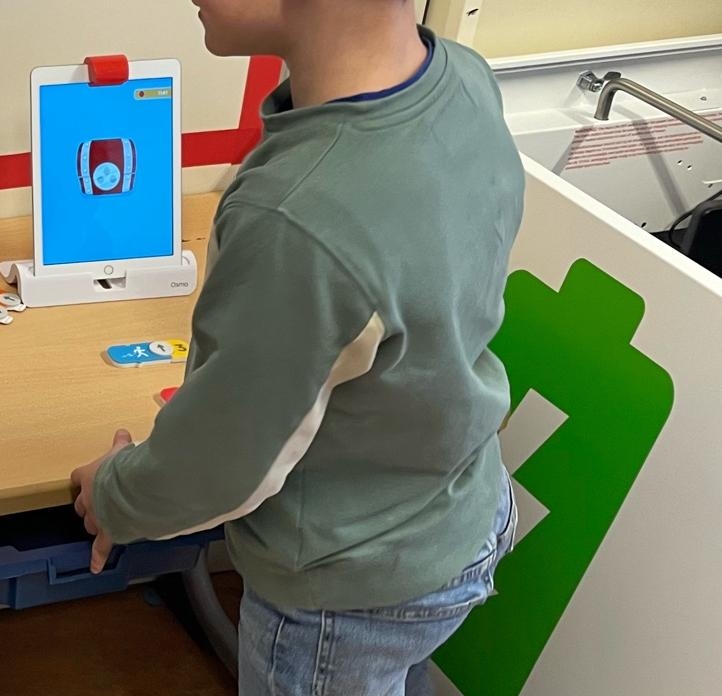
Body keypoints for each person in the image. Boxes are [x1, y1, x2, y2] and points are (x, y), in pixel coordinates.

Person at [69, 1, 523, 694]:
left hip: (348, 591)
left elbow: (220, 468)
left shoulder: (300, 215)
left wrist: (116, 494)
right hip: (462, 510)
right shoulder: (462, 77)